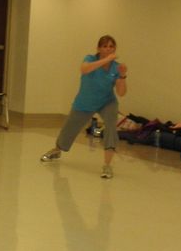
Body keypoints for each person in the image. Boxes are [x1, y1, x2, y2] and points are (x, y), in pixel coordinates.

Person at [40, 35, 128, 179]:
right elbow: (84, 69)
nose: (108, 49)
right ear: (99, 48)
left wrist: (123, 75)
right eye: (105, 46)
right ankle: (57, 149)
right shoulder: (90, 59)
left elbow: (121, 92)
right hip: (85, 102)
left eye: (111, 46)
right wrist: (106, 59)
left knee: (111, 126)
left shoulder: (116, 68)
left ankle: (107, 165)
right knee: (70, 127)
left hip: (107, 102)